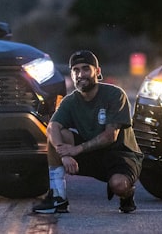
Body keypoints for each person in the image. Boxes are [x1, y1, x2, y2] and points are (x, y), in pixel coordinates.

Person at [32, 49, 143, 214]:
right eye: (76, 70)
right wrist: (64, 154)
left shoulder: (115, 95)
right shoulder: (70, 101)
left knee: (119, 185)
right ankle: (57, 196)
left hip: (120, 155)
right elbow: (52, 127)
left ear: (97, 72)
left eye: (85, 68)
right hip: (92, 154)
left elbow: (110, 136)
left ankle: (127, 195)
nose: (80, 74)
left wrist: (76, 149)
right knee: (57, 135)